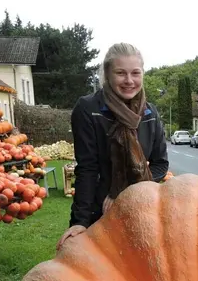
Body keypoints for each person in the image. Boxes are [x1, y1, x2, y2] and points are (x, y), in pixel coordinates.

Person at [56, 43, 169, 250]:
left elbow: (161, 164)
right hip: (101, 211)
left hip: (141, 208)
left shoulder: (150, 113)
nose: (129, 80)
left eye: (135, 73)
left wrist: (124, 193)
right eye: (120, 73)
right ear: (107, 74)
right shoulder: (89, 109)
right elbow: (87, 168)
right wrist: (80, 221)